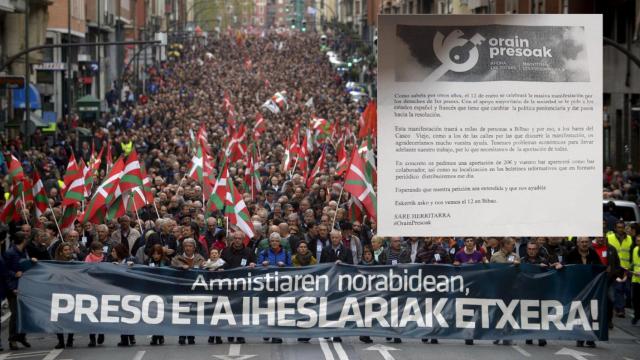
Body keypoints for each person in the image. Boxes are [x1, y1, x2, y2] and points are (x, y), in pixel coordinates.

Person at [220, 231, 256, 344]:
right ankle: (230, 333)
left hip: (242, 287)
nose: (237, 240)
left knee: (241, 311)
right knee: (229, 311)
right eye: (235, 238)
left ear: (243, 240)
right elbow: (220, 264)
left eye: (239, 238)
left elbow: (255, 264)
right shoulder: (225, 251)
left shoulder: (249, 252)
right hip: (228, 286)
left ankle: (240, 334)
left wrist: (253, 264)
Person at [566, 237, 602, 348]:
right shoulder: (571, 254)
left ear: (589, 243)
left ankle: (590, 338)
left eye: (586, 242)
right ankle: (580, 337)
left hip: (591, 288)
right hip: (576, 288)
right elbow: (565, 267)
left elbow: (599, 267)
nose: (584, 244)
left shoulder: (593, 254)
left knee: (591, 313)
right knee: (579, 313)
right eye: (582, 242)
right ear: (578, 243)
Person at [257, 232, 291, 344]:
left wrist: (284, 265)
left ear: (280, 242)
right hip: (267, 285)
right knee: (267, 309)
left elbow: (291, 268)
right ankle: (267, 331)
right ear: (269, 242)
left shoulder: (286, 253)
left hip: (281, 285)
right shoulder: (264, 252)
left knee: (279, 309)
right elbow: (257, 267)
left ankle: (277, 334)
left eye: (276, 241)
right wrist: (263, 264)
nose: (274, 243)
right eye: (272, 241)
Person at [320, 230, 353, 343]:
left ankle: (337, 333)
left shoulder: (346, 251)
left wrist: (342, 263)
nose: (334, 240)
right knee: (328, 308)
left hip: (341, 284)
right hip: (329, 284)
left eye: (336, 238)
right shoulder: (326, 250)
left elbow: (351, 266)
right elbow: (321, 266)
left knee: (339, 309)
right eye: (332, 238)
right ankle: (328, 331)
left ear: (340, 238)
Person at [4, 232, 32, 350]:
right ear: (23, 240)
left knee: (25, 313)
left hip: (24, 286)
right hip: (14, 288)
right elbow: (4, 271)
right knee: (15, 314)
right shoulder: (10, 253)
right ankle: (12, 339)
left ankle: (21, 336)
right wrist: (14, 277)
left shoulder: (24, 252)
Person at [111, 243, 137, 347]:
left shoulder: (132, 260)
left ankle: (131, 336)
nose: (112, 253)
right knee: (121, 316)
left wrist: (132, 267)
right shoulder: (112, 262)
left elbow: (141, 270)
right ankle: (124, 338)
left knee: (128, 315)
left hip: (129, 292)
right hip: (118, 292)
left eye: (113, 251)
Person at [607, 221, 633, 317]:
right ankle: (620, 309)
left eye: (622, 227)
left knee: (626, 289)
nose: (620, 229)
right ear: (615, 228)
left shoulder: (630, 239)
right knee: (618, 289)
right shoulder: (610, 238)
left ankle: (619, 306)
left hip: (627, 268)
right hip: (616, 268)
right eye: (618, 227)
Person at [293, 241, 316, 343]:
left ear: (307, 249)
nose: (302, 249)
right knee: (297, 310)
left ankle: (306, 333)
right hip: (296, 288)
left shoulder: (313, 260)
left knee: (307, 310)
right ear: (297, 249)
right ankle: (299, 332)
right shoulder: (292, 259)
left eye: (304, 247)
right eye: (300, 247)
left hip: (308, 289)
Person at [54, 242, 75, 349]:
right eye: (65, 250)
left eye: (69, 250)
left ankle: (70, 339)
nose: (67, 252)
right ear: (61, 252)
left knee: (71, 317)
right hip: (59, 292)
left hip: (71, 293)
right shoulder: (56, 264)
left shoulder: (74, 262)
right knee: (58, 318)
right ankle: (60, 341)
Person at [145, 244, 167, 346]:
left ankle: (160, 335)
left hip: (163, 292)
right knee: (153, 315)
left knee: (161, 315)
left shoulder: (166, 262)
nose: (156, 256)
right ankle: (155, 335)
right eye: (154, 253)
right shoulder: (147, 262)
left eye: (158, 253)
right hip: (151, 292)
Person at [358, 245, 376, 344]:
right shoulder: (359, 265)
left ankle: (366, 334)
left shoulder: (377, 265)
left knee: (371, 314)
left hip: (374, 292)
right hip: (362, 293)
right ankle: (364, 334)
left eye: (369, 254)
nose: (367, 256)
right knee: (364, 313)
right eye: (365, 254)